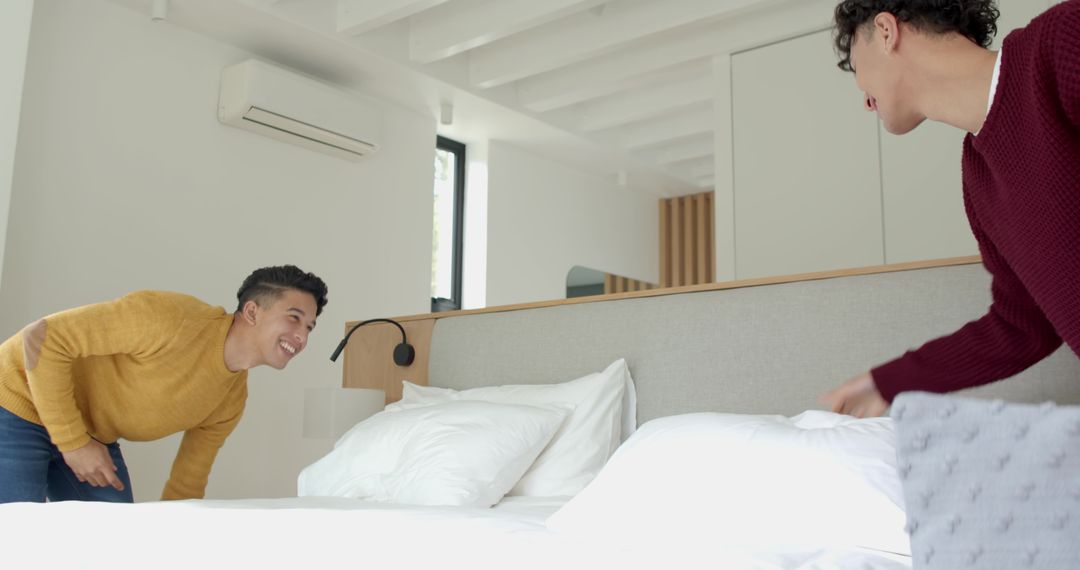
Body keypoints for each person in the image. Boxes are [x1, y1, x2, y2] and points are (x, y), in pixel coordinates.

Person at [820, 0, 1080, 417]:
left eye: (857, 66)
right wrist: (889, 382)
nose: (863, 99)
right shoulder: (980, 178)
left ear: (886, 31)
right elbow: (1022, 326)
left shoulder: (1061, 43)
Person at [0, 265, 328, 502]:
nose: (301, 336)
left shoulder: (231, 400)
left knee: (117, 549)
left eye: (310, 327)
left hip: (90, 433)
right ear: (252, 312)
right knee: (17, 536)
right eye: (294, 317)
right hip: (17, 399)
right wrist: (73, 443)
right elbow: (42, 338)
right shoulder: (172, 318)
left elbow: (187, 484)